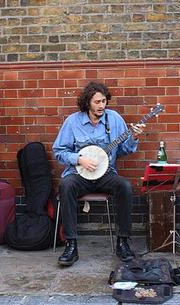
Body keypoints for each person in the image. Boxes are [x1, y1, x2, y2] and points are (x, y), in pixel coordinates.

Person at [52, 81, 146, 267]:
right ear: (87, 103)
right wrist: (79, 159)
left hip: (106, 173)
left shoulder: (114, 119)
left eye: (104, 101)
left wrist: (134, 136)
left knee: (124, 187)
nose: (101, 105)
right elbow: (58, 151)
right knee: (66, 185)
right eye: (97, 102)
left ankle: (123, 242)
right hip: (79, 174)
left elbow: (124, 149)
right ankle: (71, 245)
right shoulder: (73, 122)